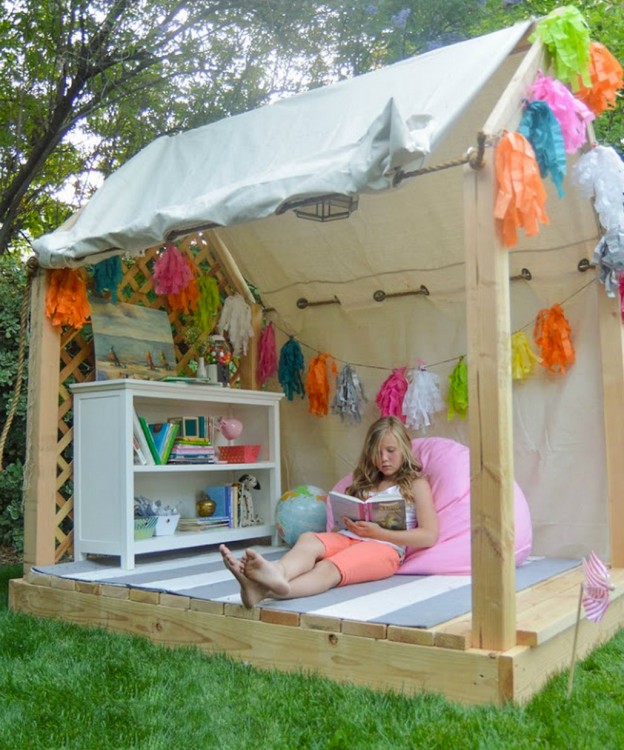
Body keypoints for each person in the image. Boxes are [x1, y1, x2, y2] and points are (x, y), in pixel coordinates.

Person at [219, 416, 439, 608]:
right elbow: (340, 528)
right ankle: (277, 573)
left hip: (385, 548)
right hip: (349, 537)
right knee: (308, 539)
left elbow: (429, 535)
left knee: (328, 567)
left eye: (391, 451)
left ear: (405, 448)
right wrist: (346, 523)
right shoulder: (365, 482)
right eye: (377, 452)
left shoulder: (415, 484)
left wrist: (378, 533)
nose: (383, 459)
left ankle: (267, 590)